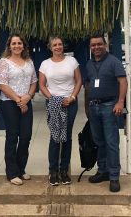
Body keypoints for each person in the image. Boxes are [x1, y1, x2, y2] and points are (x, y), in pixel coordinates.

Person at [84, 34, 127, 193]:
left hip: (110, 106)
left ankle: (114, 176)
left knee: (111, 142)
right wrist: (87, 107)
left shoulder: (114, 61)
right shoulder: (88, 64)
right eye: (93, 45)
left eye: (99, 44)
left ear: (105, 45)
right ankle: (103, 171)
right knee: (99, 141)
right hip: (94, 107)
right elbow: (87, 86)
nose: (96, 47)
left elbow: (123, 81)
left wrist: (120, 102)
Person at [0, 34, 37, 185]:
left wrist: (29, 96)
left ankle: (21, 169)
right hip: (10, 103)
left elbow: (34, 82)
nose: (17, 46)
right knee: (12, 137)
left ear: (23, 46)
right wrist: (19, 100)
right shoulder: (4, 62)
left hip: (26, 101)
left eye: (19, 43)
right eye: (14, 43)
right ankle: (12, 173)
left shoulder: (29, 61)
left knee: (26, 136)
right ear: (9, 46)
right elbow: (2, 84)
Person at [39, 36, 82, 186]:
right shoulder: (45, 64)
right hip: (53, 102)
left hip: (70, 103)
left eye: (60, 44)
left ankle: (64, 170)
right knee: (55, 136)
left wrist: (72, 97)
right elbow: (42, 85)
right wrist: (52, 98)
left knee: (67, 136)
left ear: (63, 46)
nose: (58, 47)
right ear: (50, 48)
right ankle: (53, 171)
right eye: (54, 45)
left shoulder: (72, 61)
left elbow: (79, 81)